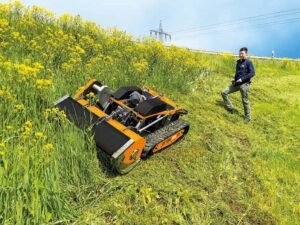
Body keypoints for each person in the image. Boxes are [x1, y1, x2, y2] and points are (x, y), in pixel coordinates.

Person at [221, 47, 255, 123]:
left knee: (244, 100)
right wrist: (234, 78)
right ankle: (230, 108)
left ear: (246, 54)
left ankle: (247, 117)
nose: (240, 55)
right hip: (236, 83)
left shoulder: (249, 62)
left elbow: (252, 73)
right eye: (240, 53)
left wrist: (242, 79)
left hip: (244, 85)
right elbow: (237, 73)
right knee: (224, 92)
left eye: (242, 53)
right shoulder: (238, 62)